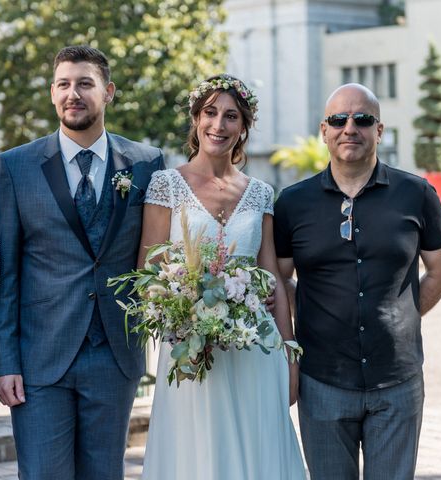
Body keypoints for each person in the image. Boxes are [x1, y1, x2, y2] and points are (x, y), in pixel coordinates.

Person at [0, 45, 165, 479]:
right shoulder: (16, 167)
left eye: (85, 83)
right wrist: (5, 361)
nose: (74, 93)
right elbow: (5, 274)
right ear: (52, 93)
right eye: (64, 84)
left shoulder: (145, 164)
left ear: (108, 92)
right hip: (39, 358)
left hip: (114, 356)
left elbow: (155, 258)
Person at [274, 83, 441, 480]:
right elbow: (279, 278)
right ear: (324, 130)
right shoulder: (292, 203)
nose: (350, 128)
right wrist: (312, 316)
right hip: (322, 380)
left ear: (380, 130)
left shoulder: (416, 193)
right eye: (339, 119)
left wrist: (402, 313)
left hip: (397, 380)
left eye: (362, 119)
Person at [139, 74, 306, 480]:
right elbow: (148, 272)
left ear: (244, 127)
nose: (219, 125)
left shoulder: (261, 192)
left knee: (258, 449)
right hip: (192, 351)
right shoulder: (166, 184)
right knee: (198, 456)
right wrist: (184, 311)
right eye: (210, 113)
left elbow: (273, 280)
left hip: (255, 345)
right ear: (196, 120)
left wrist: (290, 354)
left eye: (231, 116)